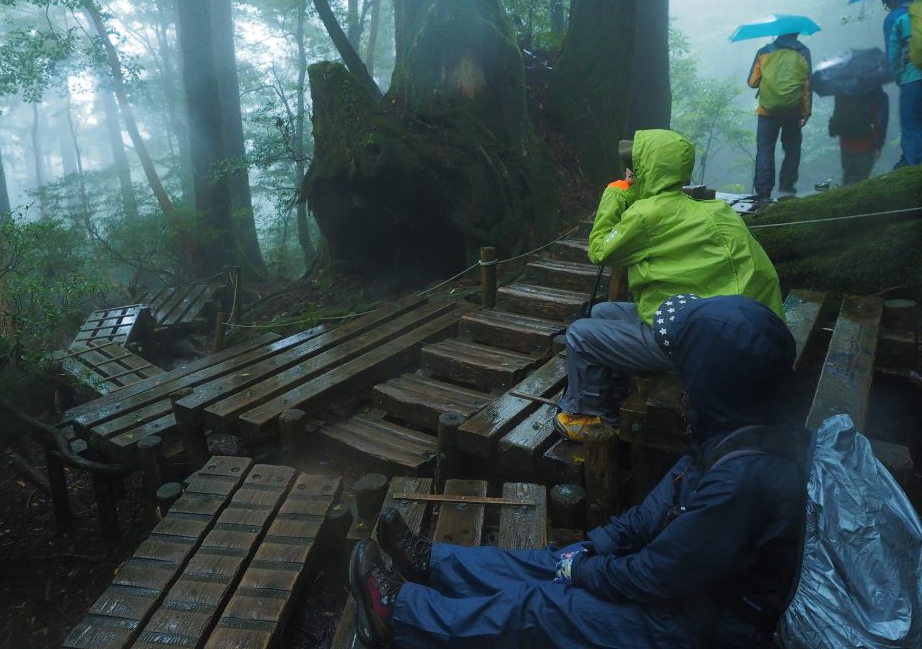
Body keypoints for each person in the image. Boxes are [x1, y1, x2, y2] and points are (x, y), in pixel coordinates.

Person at [348, 295, 805, 649]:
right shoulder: (729, 430)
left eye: (688, 369)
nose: (681, 382)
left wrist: (584, 571)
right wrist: (591, 550)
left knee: (541, 605)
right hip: (682, 594)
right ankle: (435, 564)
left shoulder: (745, 479)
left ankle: (400, 616)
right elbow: (649, 518)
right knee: (553, 562)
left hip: (696, 627)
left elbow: (656, 578)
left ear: (717, 377)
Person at [553, 128, 783, 443]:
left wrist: (617, 194)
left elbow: (600, 250)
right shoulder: (713, 210)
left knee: (580, 334)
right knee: (604, 311)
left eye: (634, 165)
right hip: (742, 335)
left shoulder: (647, 215)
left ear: (647, 170)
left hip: (705, 346)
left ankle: (590, 415)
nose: (628, 171)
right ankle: (613, 389)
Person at [747, 32, 813, 201]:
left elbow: (752, 82)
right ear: (796, 33)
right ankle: (786, 188)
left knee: (765, 149)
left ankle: (763, 192)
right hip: (793, 110)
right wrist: (806, 112)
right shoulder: (803, 51)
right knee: (792, 148)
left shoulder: (764, 51)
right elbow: (807, 84)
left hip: (767, 111)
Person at [883, 0, 922, 167]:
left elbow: (893, 57)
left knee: (912, 126)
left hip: (913, 78)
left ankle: (915, 172)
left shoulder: (896, 18)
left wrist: (901, 80)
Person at [828, 88, 890, 185]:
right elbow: (880, 123)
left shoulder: (841, 92)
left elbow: (837, 117)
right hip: (866, 147)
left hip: (845, 145)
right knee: (861, 183)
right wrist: (879, 145)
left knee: (848, 179)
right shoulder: (874, 94)